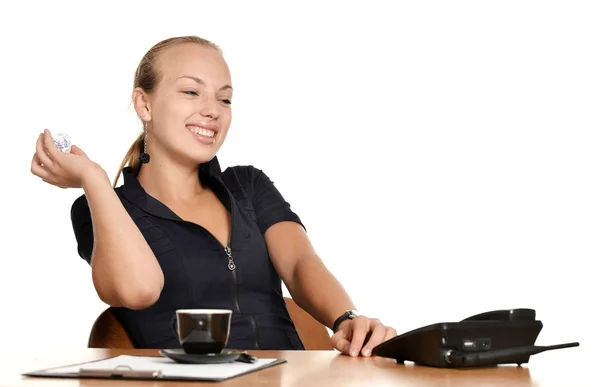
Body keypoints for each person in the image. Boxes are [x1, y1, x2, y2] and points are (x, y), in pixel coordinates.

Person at [30, 35, 397, 356]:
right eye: (191, 92)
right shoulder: (101, 209)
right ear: (144, 105)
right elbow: (138, 289)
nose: (212, 111)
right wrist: (94, 181)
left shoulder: (248, 185)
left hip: (289, 377)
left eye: (225, 99)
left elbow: (302, 265)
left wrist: (347, 319)